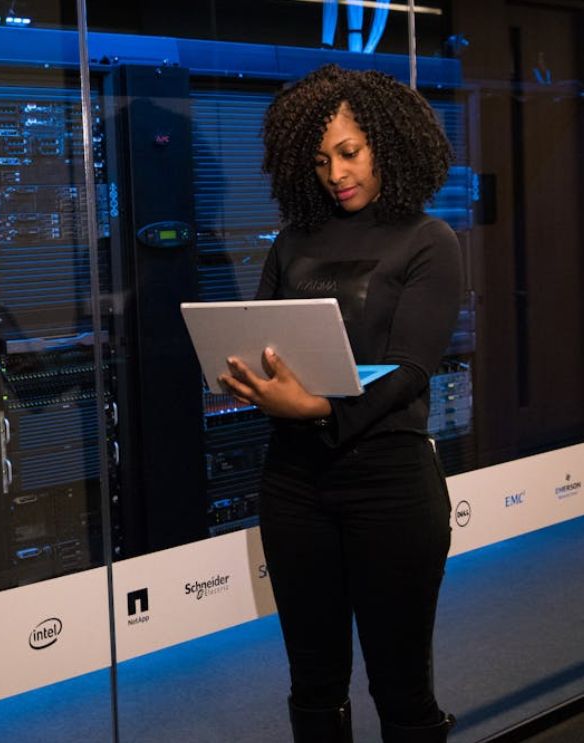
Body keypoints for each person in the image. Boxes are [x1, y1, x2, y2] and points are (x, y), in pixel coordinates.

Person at [217, 64, 461, 743]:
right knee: (313, 680)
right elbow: (260, 338)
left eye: (349, 153)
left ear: (388, 144)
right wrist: (247, 378)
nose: (335, 173)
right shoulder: (292, 241)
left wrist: (318, 408)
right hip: (293, 484)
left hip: (390, 484)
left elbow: (410, 368)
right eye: (321, 160)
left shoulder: (428, 240)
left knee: (400, 684)